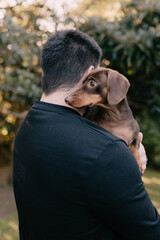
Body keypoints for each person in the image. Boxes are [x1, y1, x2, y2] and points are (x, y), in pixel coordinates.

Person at [13, 29, 160, 240]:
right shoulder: (106, 152)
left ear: (45, 72)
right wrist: (128, 165)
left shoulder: (27, 127)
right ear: (89, 73)